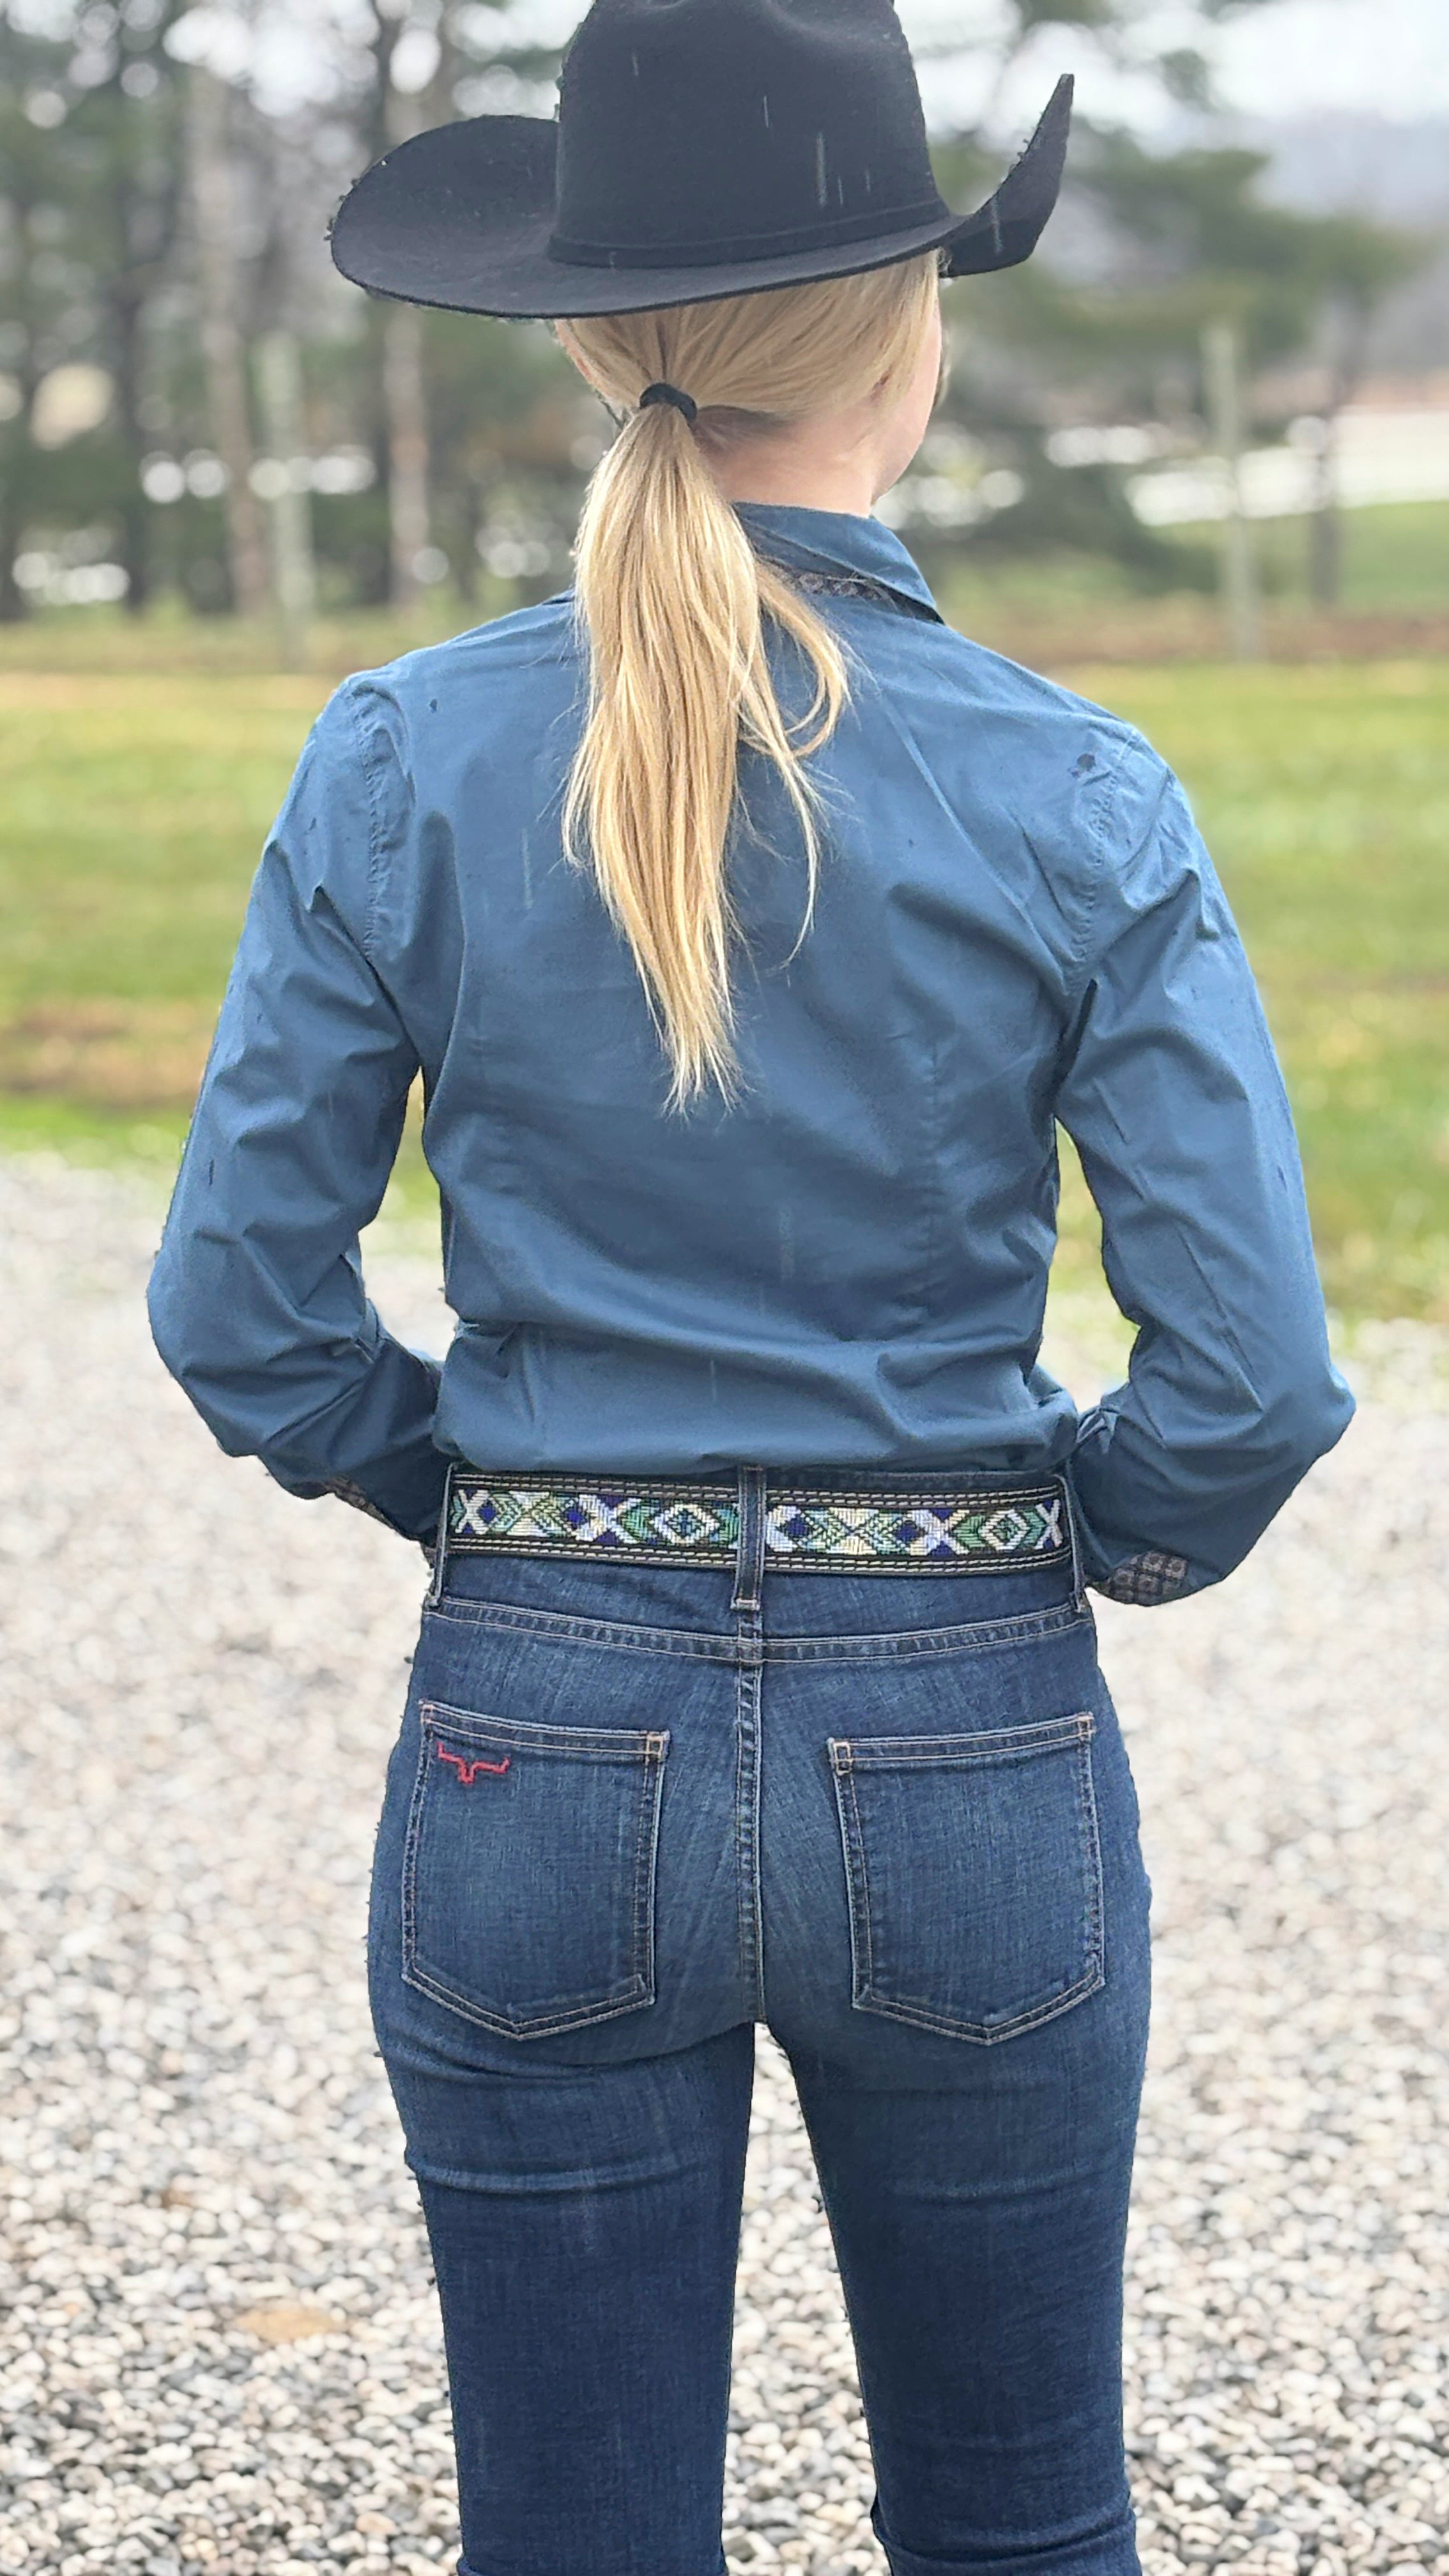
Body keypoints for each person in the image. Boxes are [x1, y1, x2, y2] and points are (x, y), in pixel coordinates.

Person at [147, 3, 1355, 2571]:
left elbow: (241, 1307)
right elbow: (1251, 1373)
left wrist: (485, 1498)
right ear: (912, 343)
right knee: (1022, 2526)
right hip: (969, 1732)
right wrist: (1088, 1528)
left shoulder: (402, 755)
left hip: (537, 1730)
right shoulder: (1074, 787)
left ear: (596, 346)